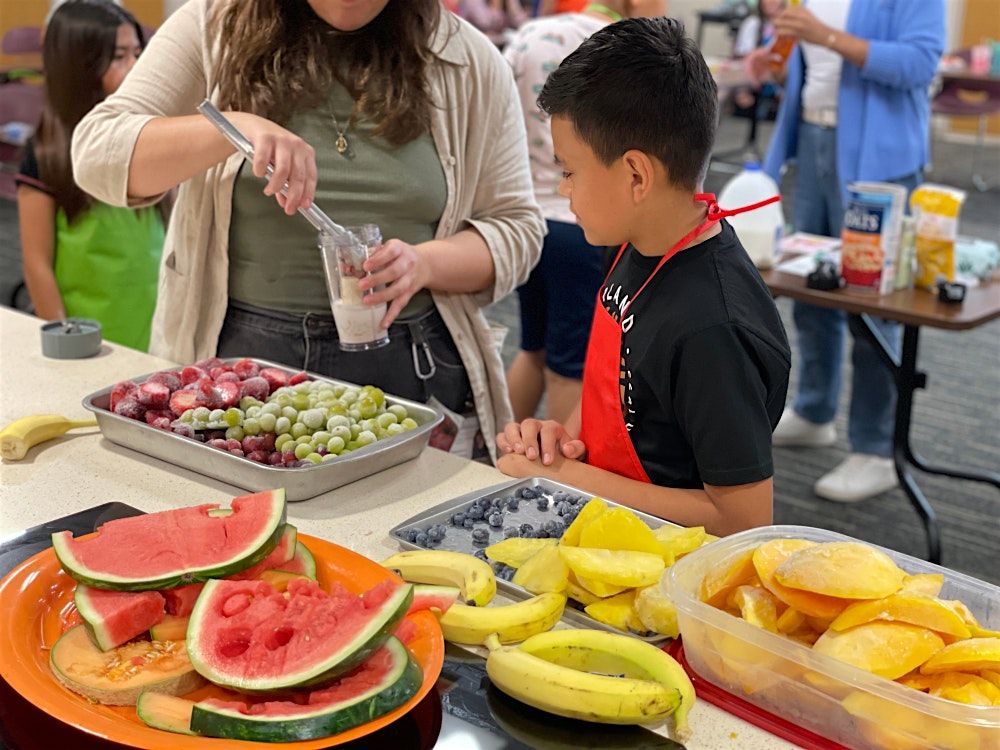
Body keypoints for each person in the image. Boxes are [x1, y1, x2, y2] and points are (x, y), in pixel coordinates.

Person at [72, 0, 544, 463]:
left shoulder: (467, 59)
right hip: (240, 364)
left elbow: (517, 228)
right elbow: (96, 154)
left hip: (409, 366)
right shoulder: (211, 27)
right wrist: (230, 128)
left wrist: (424, 264)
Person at [496, 18, 791, 536]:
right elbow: (630, 402)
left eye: (568, 171)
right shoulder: (638, 244)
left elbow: (741, 520)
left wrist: (569, 476)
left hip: (670, 574)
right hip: (614, 532)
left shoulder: (713, 330)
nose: (563, 190)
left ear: (636, 175)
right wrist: (564, 442)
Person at [747, 0, 945, 502]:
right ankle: (815, 411)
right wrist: (779, 61)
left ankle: (876, 449)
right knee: (811, 285)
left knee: (876, 303)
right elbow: (813, 64)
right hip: (814, 138)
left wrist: (825, 35)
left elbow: (919, 65)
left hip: (880, 155)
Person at [503, 0, 667, 424]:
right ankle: (560, 485)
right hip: (579, 226)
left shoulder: (529, 35)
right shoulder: (620, 51)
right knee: (569, 369)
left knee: (533, 350)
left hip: (522, 219)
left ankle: (488, 455)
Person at [18, 0, 165, 351]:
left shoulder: (147, 140)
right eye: (118, 57)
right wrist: (65, 336)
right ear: (78, 66)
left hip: (156, 330)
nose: (134, 68)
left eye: (137, 54)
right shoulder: (46, 154)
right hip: (89, 336)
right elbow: (37, 262)